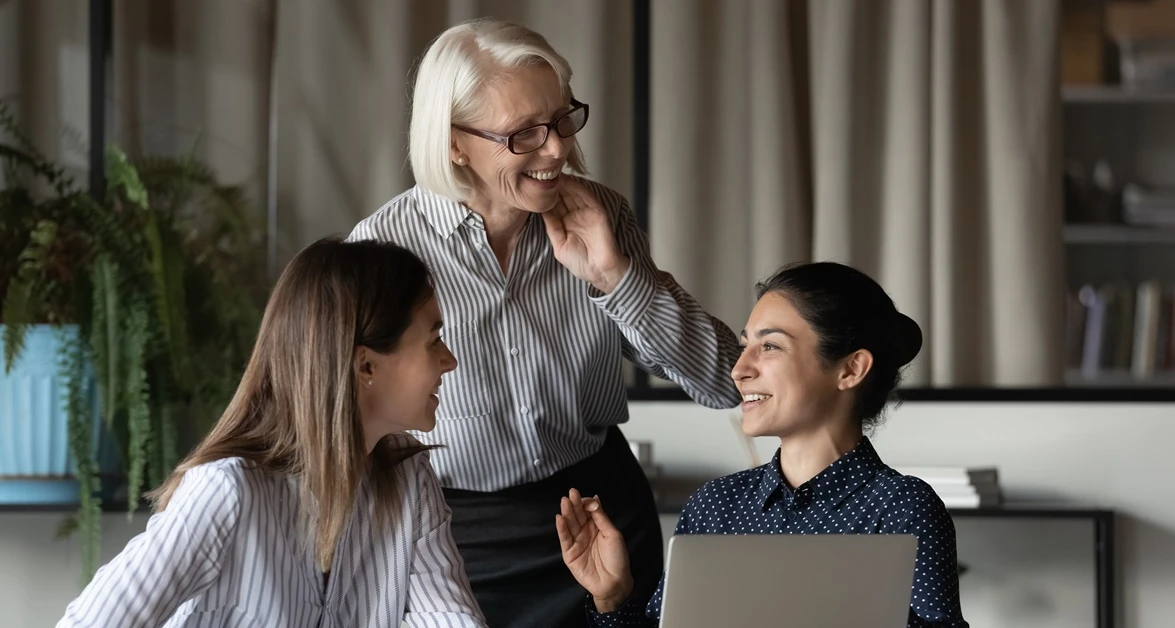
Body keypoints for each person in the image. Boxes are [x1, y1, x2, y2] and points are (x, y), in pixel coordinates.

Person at [346, 17, 741, 628]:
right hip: (452, 539)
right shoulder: (381, 248)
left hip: (602, 519)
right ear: (454, 142)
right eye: (523, 134)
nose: (556, 149)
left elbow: (724, 381)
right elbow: (334, 414)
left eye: (560, 120)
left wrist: (614, 277)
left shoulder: (600, 214)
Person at [56, 238, 488, 628]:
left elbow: (451, 620)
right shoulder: (226, 492)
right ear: (366, 367)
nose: (449, 360)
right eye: (434, 340)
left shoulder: (409, 477)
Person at [557, 261, 970, 628]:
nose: (739, 369)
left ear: (850, 369)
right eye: (743, 346)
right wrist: (612, 596)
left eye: (769, 346)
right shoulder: (715, 506)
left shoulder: (902, 508)